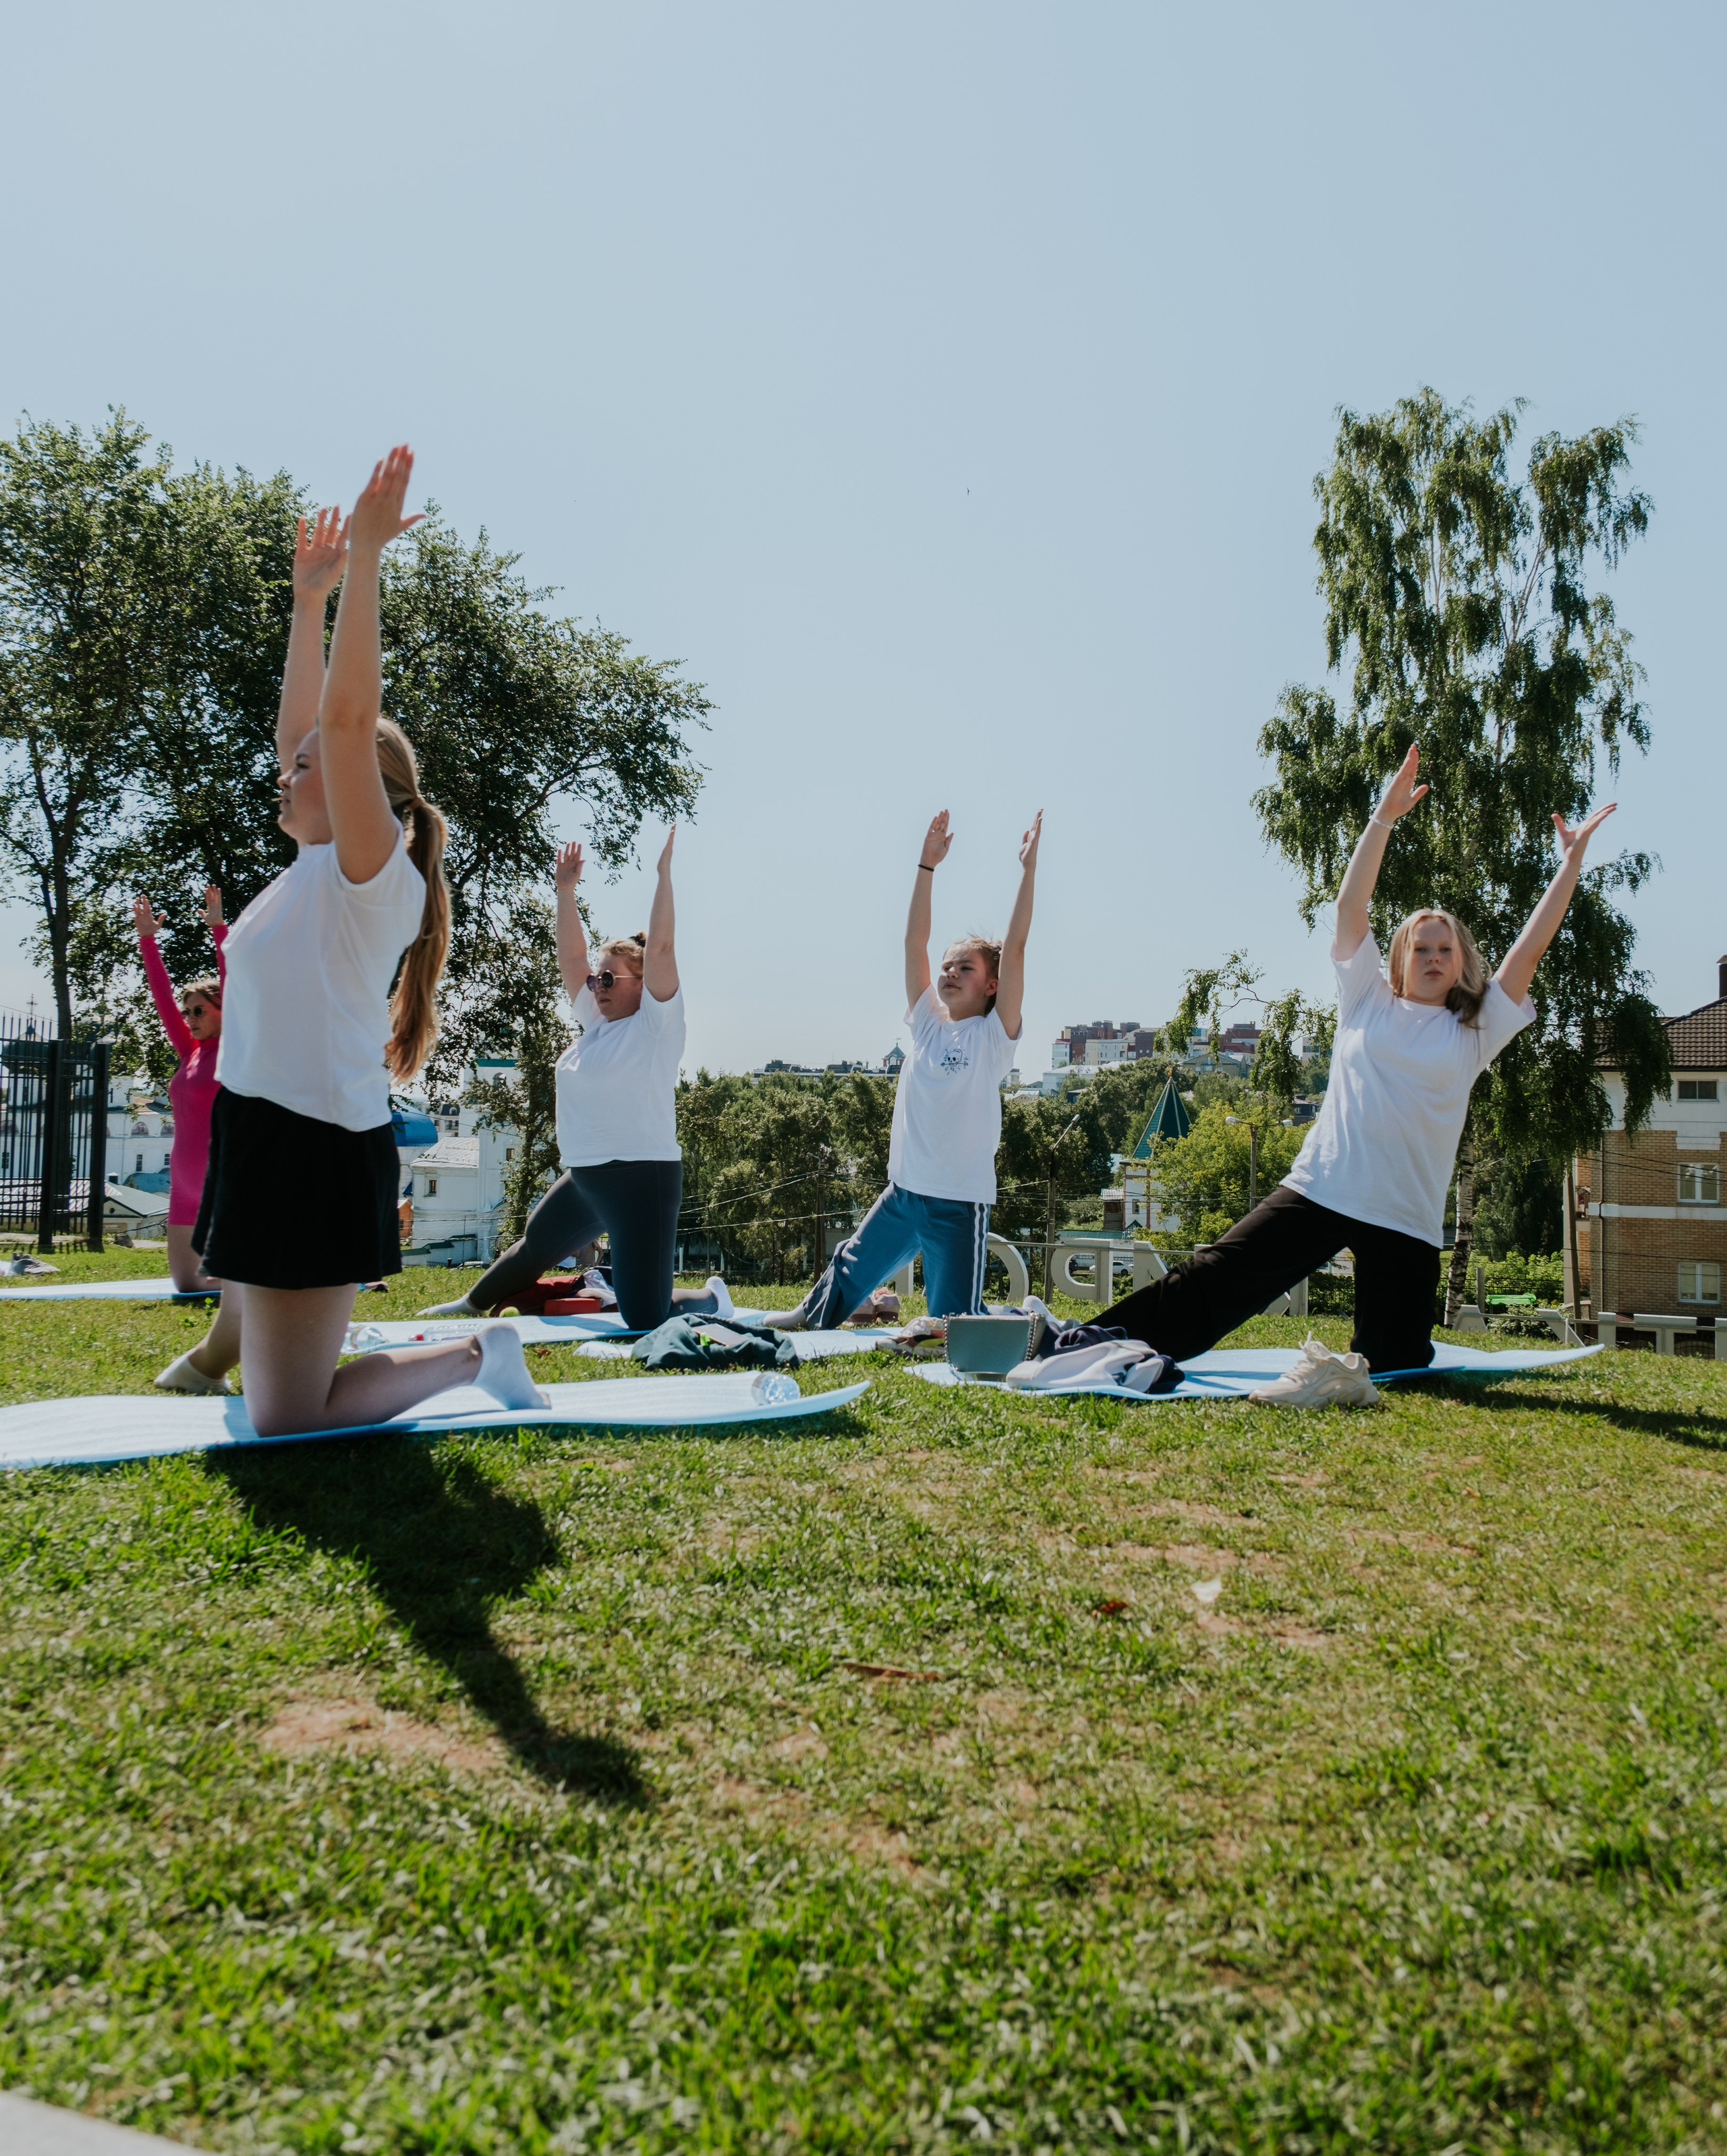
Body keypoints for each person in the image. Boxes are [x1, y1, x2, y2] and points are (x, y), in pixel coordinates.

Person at [197, 448, 546, 1438]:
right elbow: (308, 729)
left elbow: (342, 725)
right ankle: (448, 1353)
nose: (286, 771)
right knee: (278, 1407)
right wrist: (308, 603)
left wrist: (367, 562)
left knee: (286, 1422)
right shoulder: (313, 870)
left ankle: (482, 1353)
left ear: (360, 795)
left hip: (314, 1147)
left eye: (309, 770)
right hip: (264, 1135)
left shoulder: (371, 874)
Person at [1099, 746, 1616, 1405]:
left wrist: (1568, 865)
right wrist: (1382, 819)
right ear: (1396, 959)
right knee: (1214, 1279)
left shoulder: (1475, 1028)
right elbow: (1350, 906)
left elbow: (1530, 948)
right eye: (1419, 947)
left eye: (1445, 949)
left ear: (1460, 964)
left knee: (1397, 1362)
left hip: (1405, 1216)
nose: (1432, 957)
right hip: (1324, 1187)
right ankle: (1089, 1339)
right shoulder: (1365, 999)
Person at [421, 831, 733, 1331]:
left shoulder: (656, 1027)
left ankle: (710, 1299)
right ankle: (471, 1306)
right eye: (597, 979)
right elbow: (571, 960)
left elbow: (665, 948)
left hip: (639, 1180)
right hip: (586, 1177)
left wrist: (663, 879)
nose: (596, 985)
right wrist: (564, 891)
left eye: (609, 979)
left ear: (640, 982)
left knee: (644, 1318)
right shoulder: (595, 1023)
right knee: (534, 1249)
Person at [770, 807, 1040, 1331]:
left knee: (953, 1328)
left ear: (991, 985)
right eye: (947, 966)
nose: (950, 973)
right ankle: (810, 1313)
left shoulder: (992, 1037)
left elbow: (1019, 946)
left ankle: (1023, 1318)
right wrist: (926, 866)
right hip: (905, 1192)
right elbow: (913, 943)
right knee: (848, 1270)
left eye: (966, 967)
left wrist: (1027, 871)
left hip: (958, 1204)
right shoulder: (928, 1025)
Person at [134, 884, 244, 1392]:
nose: (190, 1018)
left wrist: (218, 929)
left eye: (199, 1010)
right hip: (184, 1184)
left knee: (230, 1277)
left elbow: (233, 980)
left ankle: (274, 1291)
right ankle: (261, 1288)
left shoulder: (238, 1045)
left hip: (226, 1179)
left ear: (222, 1009)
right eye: (189, 1012)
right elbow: (160, 997)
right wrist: (148, 941)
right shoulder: (189, 1050)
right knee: (187, 1284)